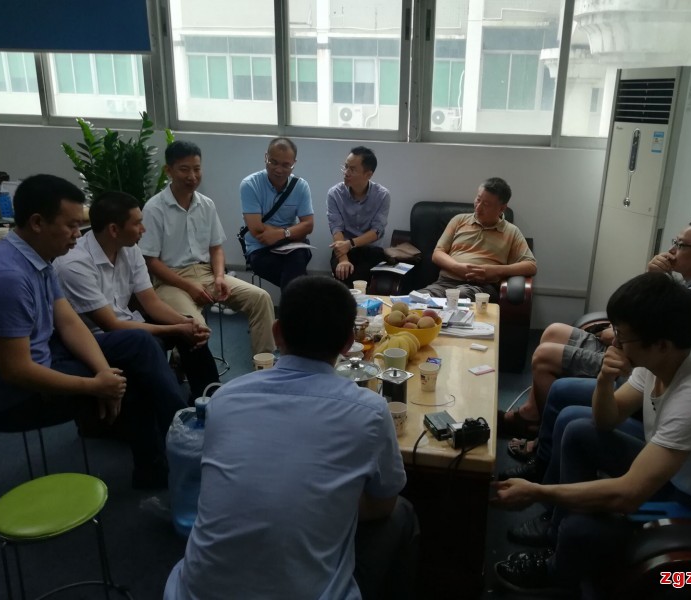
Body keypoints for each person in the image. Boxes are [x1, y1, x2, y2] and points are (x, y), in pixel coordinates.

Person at [491, 272, 691, 594]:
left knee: (581, 527)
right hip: (689, 480)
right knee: (579, 429)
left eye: (623, 336)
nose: (615, 342)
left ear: (661, 344)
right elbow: (606, 420)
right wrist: (605, 380)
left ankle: (558, 571)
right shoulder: (663, 360)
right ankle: (557, 537)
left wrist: (536, 492)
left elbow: (628, 494)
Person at [164, 276, 418, 600]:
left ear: (277, 333)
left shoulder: (225, 398)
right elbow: (383, 504)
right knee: (402, 513)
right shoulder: (369, 411)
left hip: (194, 592)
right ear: (348, 342)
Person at [0, 175, 186, 489]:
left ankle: (182, 430)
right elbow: (17, 371)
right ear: (38, 222)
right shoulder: (9, 277)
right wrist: (95, 385)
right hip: (17, 394)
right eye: (71, 226)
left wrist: (103, 372)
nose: (78, 234)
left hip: (50, 355)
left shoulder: (38, 257)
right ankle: (169, 456)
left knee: (138, 343)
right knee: (132, 382)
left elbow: (69, 322)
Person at [500, 219, 691, 440]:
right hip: (624, 342)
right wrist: (653, 279)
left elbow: (652, 341)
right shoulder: (686, 286)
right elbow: (637, 314)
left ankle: (539, 432)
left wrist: (616, 333)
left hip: (632, 358)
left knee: (544, 356)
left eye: (680, 245)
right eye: (674, 242)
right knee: (553, 331)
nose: (671, 250)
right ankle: (532, 412)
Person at [54, 191, 220, 401]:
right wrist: (177, 328)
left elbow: (151, 303)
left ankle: (210, 398)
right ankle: (174, 411)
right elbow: (111, 325)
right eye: (138, 223)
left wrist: (186, 323)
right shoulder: (74, 264)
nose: (144, 229)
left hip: (128, 323)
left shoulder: (129, 249)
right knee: (151, 341)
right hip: (95, 338)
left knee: (190, 329)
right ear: (114, 230)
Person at [140, 141, 275, 356]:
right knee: (196, 327)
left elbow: (216, 248)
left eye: (197, 169)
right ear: (169, 170)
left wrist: (220, 277)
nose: (192, 176)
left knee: (261, 298)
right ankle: (182, 363)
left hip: (207, 274)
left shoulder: (206, 204)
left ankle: (264, 364)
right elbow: (151, 261)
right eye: (184, 169)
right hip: (170, 281)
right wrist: (188, 286)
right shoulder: (154, 208)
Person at [418, 177, 536, 301]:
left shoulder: (511, 231)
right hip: (445, 284)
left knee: (461, 296)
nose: (478, 208)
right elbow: (437, 253)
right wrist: (457, 267)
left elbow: (531, 266)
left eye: (486, 204)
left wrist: (496, 271)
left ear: (502, 208)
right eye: (478, 200)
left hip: (481, 288)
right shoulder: (459, 220)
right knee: (416, 299)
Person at [241, 137, 314, 290]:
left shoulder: (300, 186)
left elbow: (308, 225)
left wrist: (281, 234)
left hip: (291, 245)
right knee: (297, 278)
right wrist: (293, 231)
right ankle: (299, 300)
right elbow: (257, 230)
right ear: (265, 157)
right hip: (260, 249)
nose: (279, 170)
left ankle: (293, 303)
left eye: (285, 165)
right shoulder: (250, 184)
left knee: (297, 259)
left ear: (294, 164)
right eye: (273, 162)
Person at [327, 146, 390, 286]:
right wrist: (343, 259)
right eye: (345, 167)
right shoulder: (335, 194)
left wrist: (350, 244)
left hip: (371, 250)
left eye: (352, 169)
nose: (346, 173)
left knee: (358, 278)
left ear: (368, 174)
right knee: (343, 272)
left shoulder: (382, 195)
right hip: (343, 250)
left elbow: (377, 231)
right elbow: (336, 228)